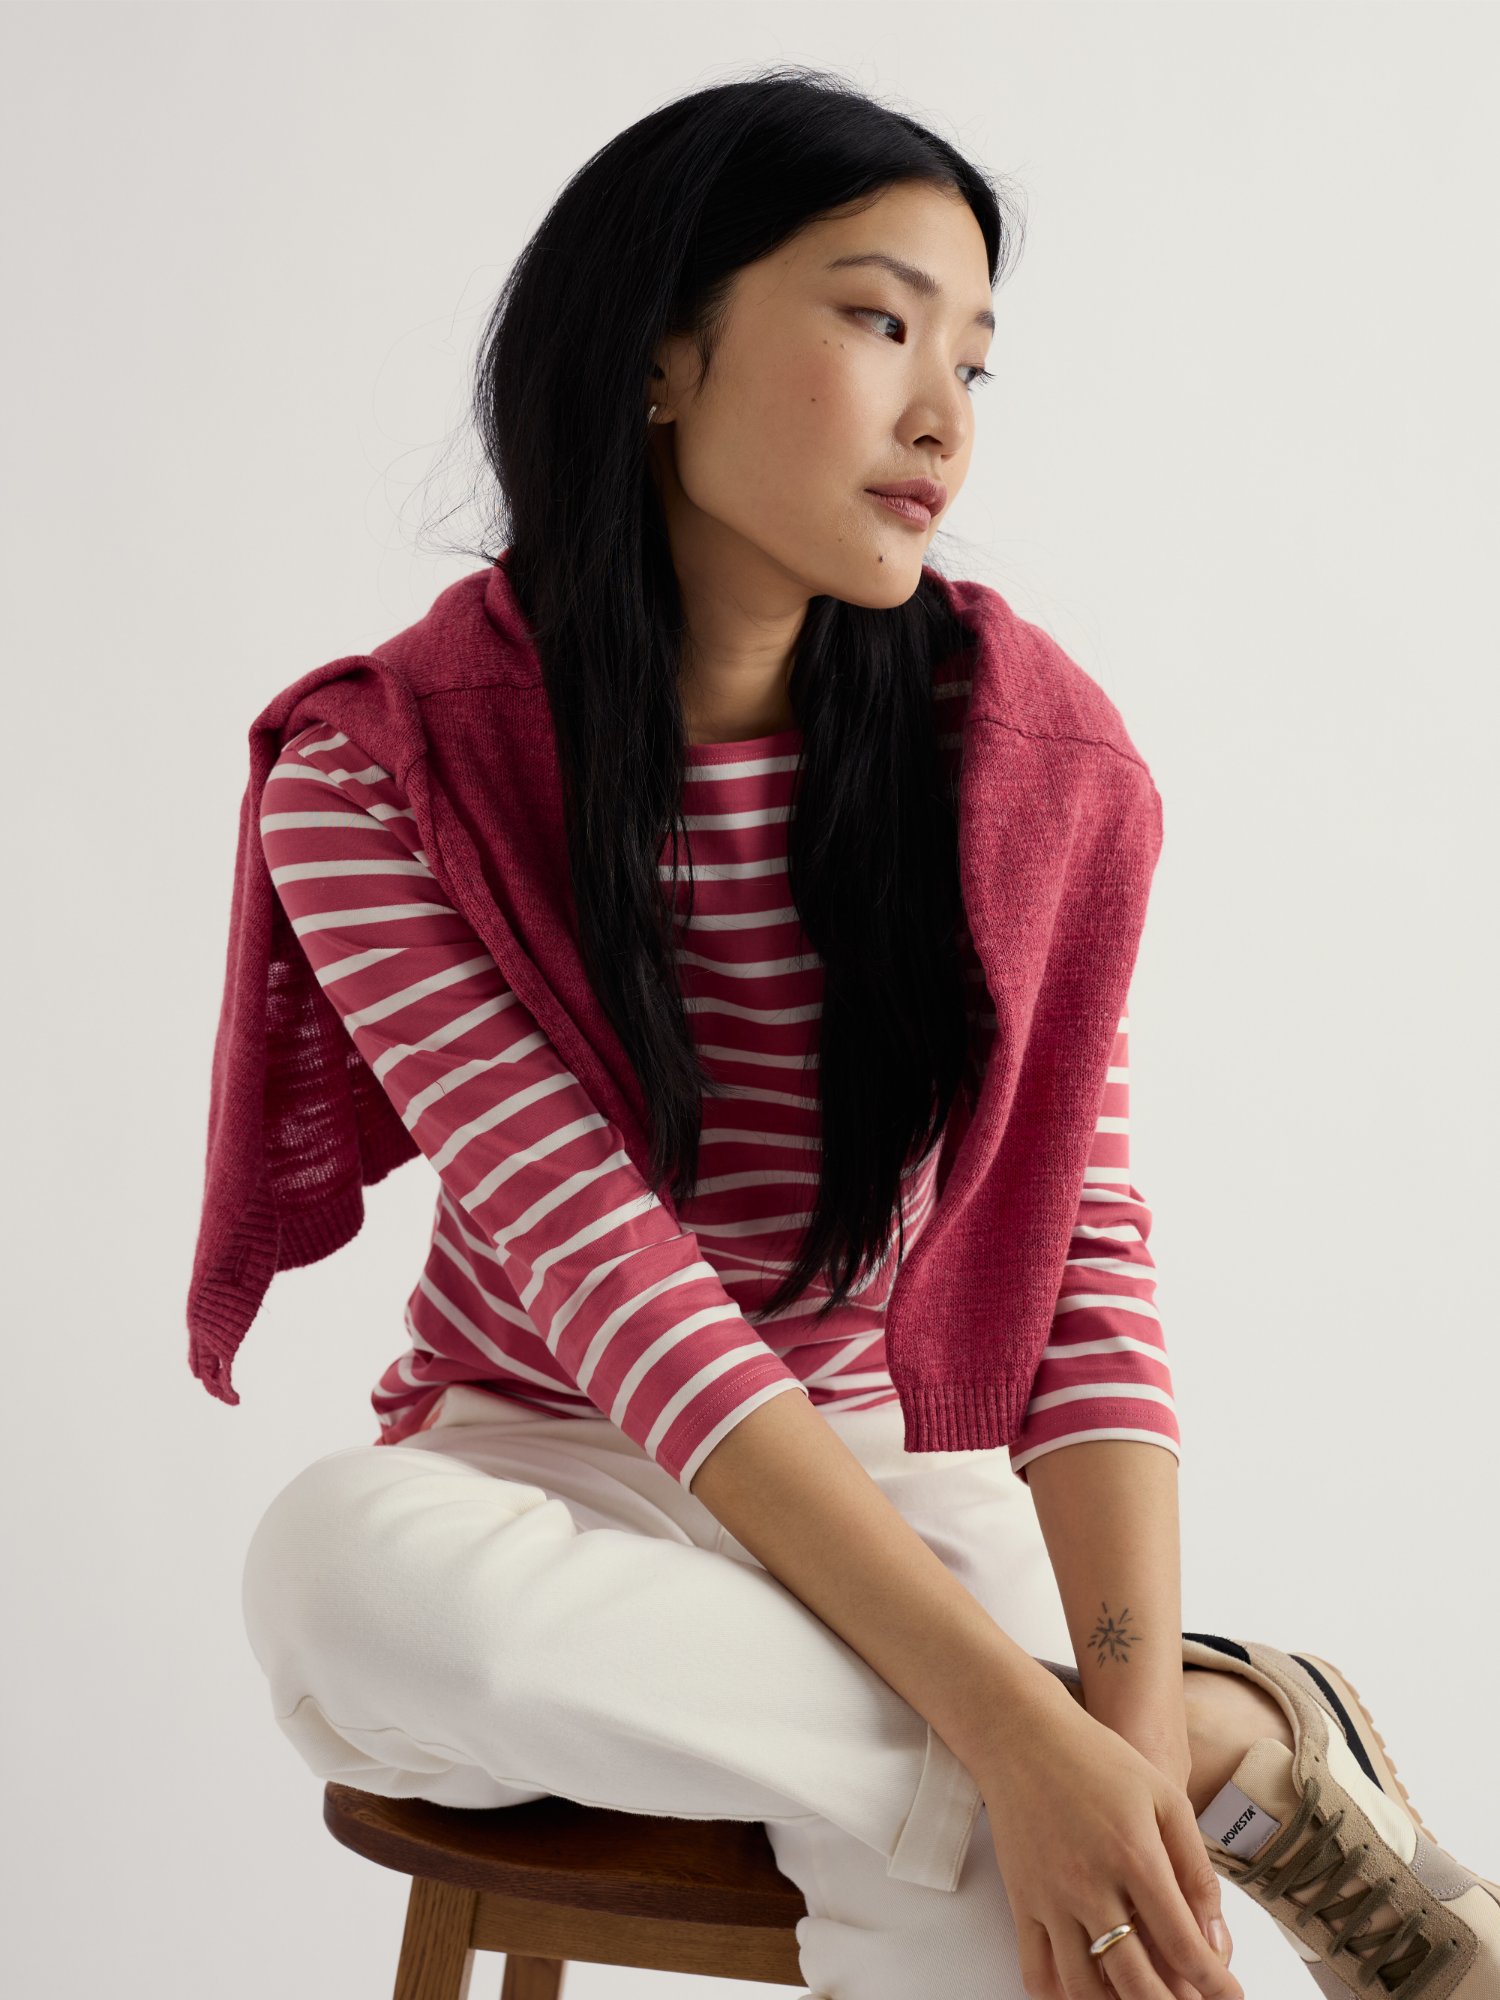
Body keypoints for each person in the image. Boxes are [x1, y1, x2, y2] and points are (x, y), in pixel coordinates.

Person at [215, 66, 1498, 2000]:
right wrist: (1027, 1729)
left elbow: (1078, 1254)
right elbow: (606, 1275)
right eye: (884, 323)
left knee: (1020, 1886)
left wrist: (1103, 1733)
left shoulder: (1023, 757)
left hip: (898, 1465)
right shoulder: (376, 774)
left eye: (974, 361)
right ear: (660, 353)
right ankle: (1231, 1751)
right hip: (536, 1470)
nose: (944, 419)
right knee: (336, 1578)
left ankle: (1112, 1747)